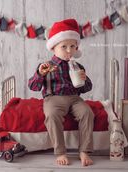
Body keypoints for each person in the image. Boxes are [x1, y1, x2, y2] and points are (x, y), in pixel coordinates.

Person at [28, 19, 94, 166]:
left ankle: (84, 150)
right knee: (52, 115)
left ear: (77, 47)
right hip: (54, 98)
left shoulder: (77, 66)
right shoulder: (47, 66)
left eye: (72, 46)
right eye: (64, 46)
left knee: (87, 113)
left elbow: (86, 88)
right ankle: (60, 151)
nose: (69, 50)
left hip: (74, 98)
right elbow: (33, 86)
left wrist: (85, 79)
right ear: (53, 48)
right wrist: (40, 74)